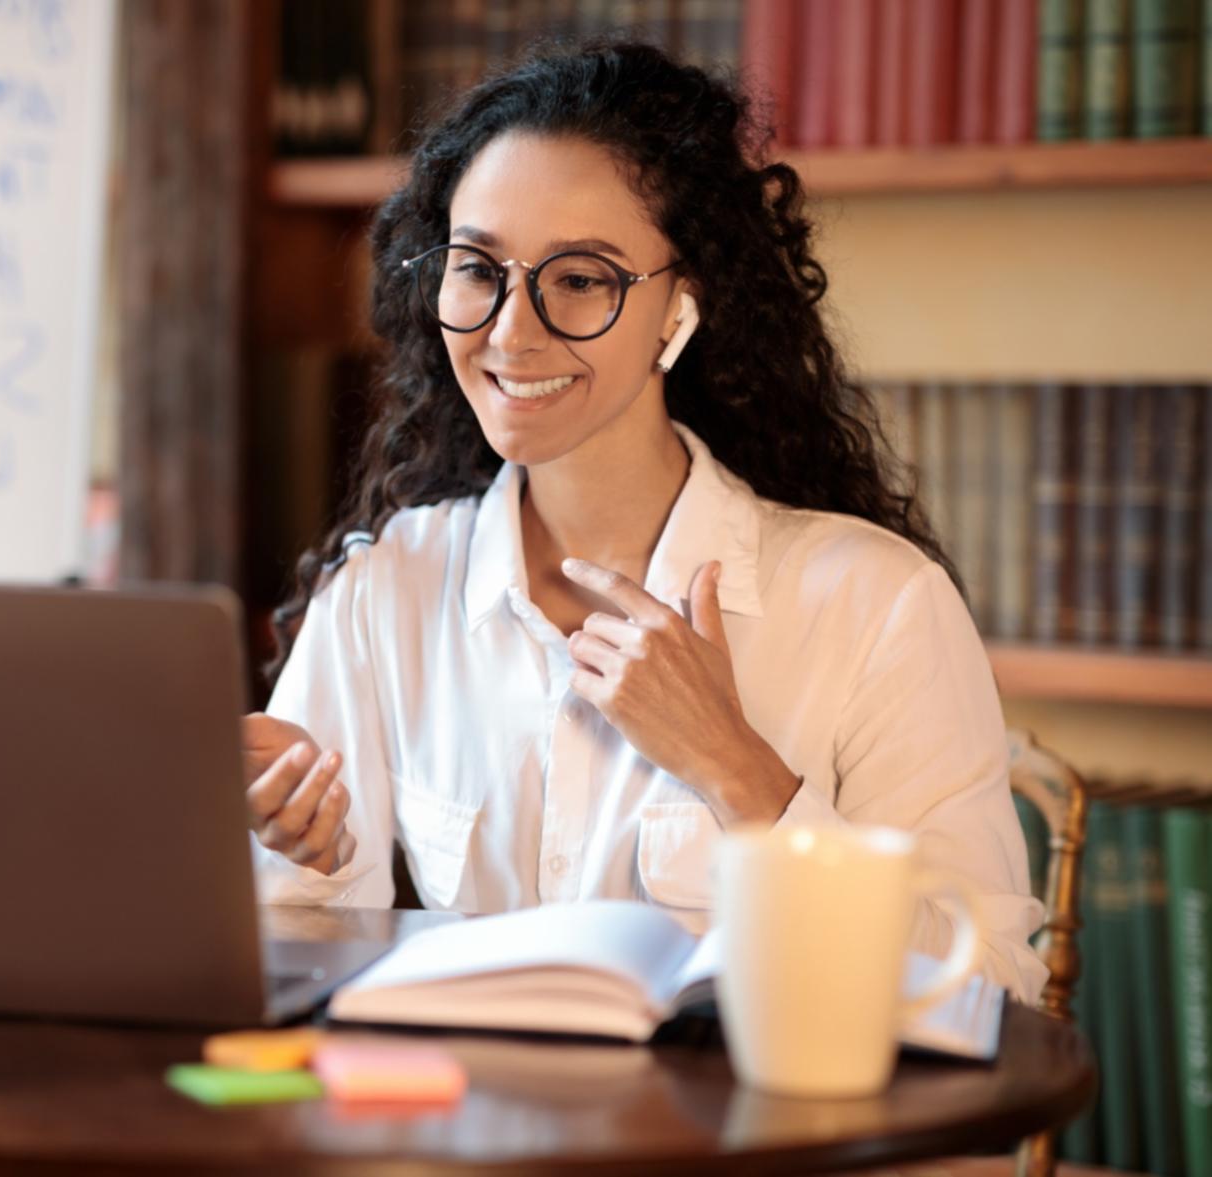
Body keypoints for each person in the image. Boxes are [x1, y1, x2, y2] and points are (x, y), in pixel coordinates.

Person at [241, 38, 1045, 1001]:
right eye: (476, 268)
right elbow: (292, 990)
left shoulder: (874, 605)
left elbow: (992, 989)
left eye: (580, 279)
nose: (508, 330)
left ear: (681, 309)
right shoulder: (387, 594)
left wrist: (737, 770)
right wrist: (307, 857)